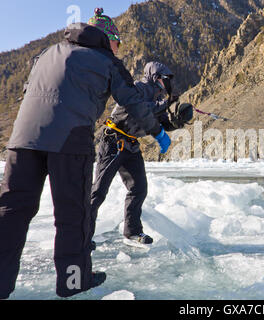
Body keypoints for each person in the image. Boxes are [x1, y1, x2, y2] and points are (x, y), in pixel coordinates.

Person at [0, 9, 170, 299]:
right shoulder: (107, 61)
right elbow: (133, 102)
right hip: (69, 141)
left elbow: (30, 90)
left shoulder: (48, 51)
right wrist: (159, 131)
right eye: (118, 42)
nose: (119, 48)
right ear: (108, 39)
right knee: (72, 215)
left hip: (22, 140)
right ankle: (73, 282)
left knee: (11, 212)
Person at [90, 61, 193, 245]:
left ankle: (132, 232)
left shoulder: (159, 98)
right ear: (156, 77)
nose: (167, 83)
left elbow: (160, 123)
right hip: (113, 141)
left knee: (139, 189)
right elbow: (141, 112)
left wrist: (177, 122)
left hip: (131, 145)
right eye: (165, 78)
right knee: (98, 191)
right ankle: (81, 233)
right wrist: (164, 105)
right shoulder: (137, 88)